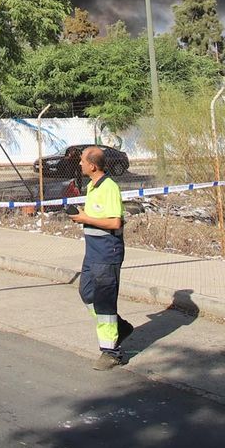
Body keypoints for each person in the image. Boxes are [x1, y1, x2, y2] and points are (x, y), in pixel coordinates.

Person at [69, 146, 133, 368]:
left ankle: (111, 352)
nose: (79, 164)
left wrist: (86, 218)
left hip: (107, 252)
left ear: (92, 166)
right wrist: (83, 217)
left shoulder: (109, 188)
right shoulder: (91, 185)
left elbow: (115, 222)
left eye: (82, 161)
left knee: (104, 301)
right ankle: (120, 327)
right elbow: (97, 216)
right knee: (87, 293)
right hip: (92, 252)